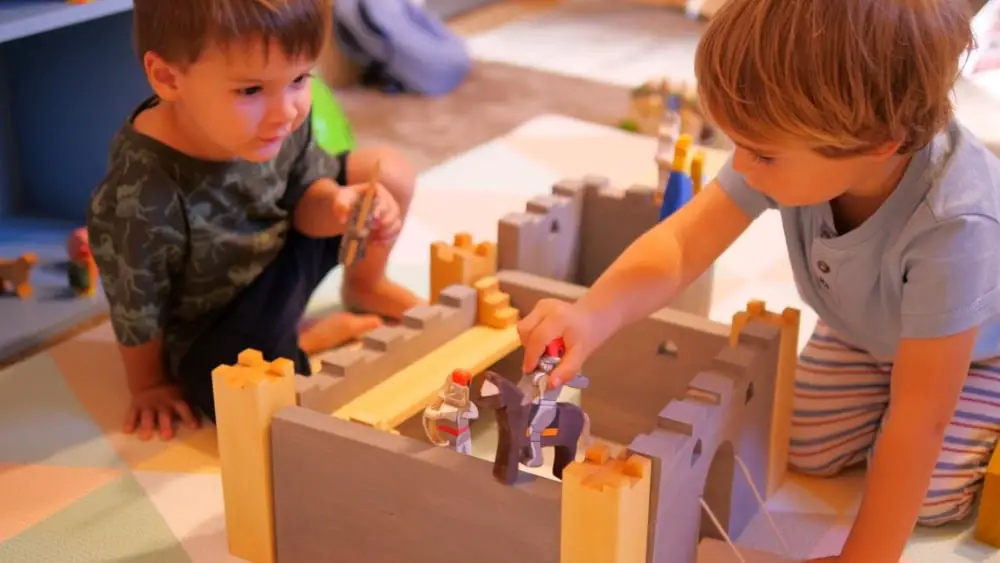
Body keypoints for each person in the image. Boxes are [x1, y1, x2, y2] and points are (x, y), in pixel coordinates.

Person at [517, 0, 1000, 561]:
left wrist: (867, 555)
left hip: (972, 353)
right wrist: (592, 313)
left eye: (763, 155)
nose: (741, 168)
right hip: (863, 328)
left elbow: (921, 417)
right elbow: (681, 244)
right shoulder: (805, 144)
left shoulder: (955, 225)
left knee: (928, 500)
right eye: (738, 144)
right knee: (792, 444)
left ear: (877, 145)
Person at [86, 0, 423, 440]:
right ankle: (305, 340)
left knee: (388, 170)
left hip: (281, 245)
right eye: (250, 90)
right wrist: (148, 384)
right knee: (247, 406)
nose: (285, 111)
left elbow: (306, 198)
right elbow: (137, 306)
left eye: (300, 78)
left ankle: (364, 285)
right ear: (169, 78)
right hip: (220, 313)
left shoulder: (280, 116)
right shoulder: (140, 195)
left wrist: (341, 205)